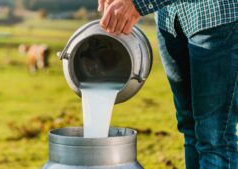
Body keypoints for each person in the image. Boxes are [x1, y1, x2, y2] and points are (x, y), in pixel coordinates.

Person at [98, 0, 237, 168]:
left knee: (214, 137)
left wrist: (137, 3)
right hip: (170, 17)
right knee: (190, 129)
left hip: (215, 15)